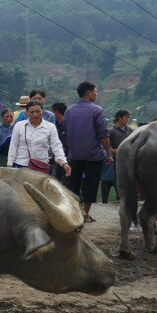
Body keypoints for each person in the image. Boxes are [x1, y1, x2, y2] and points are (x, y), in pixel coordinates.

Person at [65, 81, 112, 223]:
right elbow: (103, 134)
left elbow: (65, 132)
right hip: (93, 155)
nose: (96, 94)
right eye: (95, 91)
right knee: (90, 185)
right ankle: (85, 213)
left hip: (74, 155)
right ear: (88, 93)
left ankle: (74, 213)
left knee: (74, 184)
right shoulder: (96, 110)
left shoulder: (69, 110)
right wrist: (109, 153)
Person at [7, 102, 70, 177]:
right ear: (27, 113)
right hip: (21, 165)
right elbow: (13, 146)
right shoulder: (19, 126)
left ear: (42, 112)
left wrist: (64, 163)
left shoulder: (50, 127)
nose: (35, 115)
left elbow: (56, 146)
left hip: (41, 166)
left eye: (37, 111)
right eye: (32, 112)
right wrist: (9, 165)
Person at [100, 110, 133, 203]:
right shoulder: (111, 131)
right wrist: (113, 150)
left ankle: (121, 199)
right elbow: (104, 144)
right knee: (112, 179)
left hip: (127, 160)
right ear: (119, 118)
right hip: (114, 159)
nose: (128, 119)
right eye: (126, 117)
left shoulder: (129, 130)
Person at [50, 102, 69, 182]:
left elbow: (62, 144)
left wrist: (57, 158)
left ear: (56, 112)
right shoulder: (59, 124)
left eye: (53, 112)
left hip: (63, 158)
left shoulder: (63, 125)